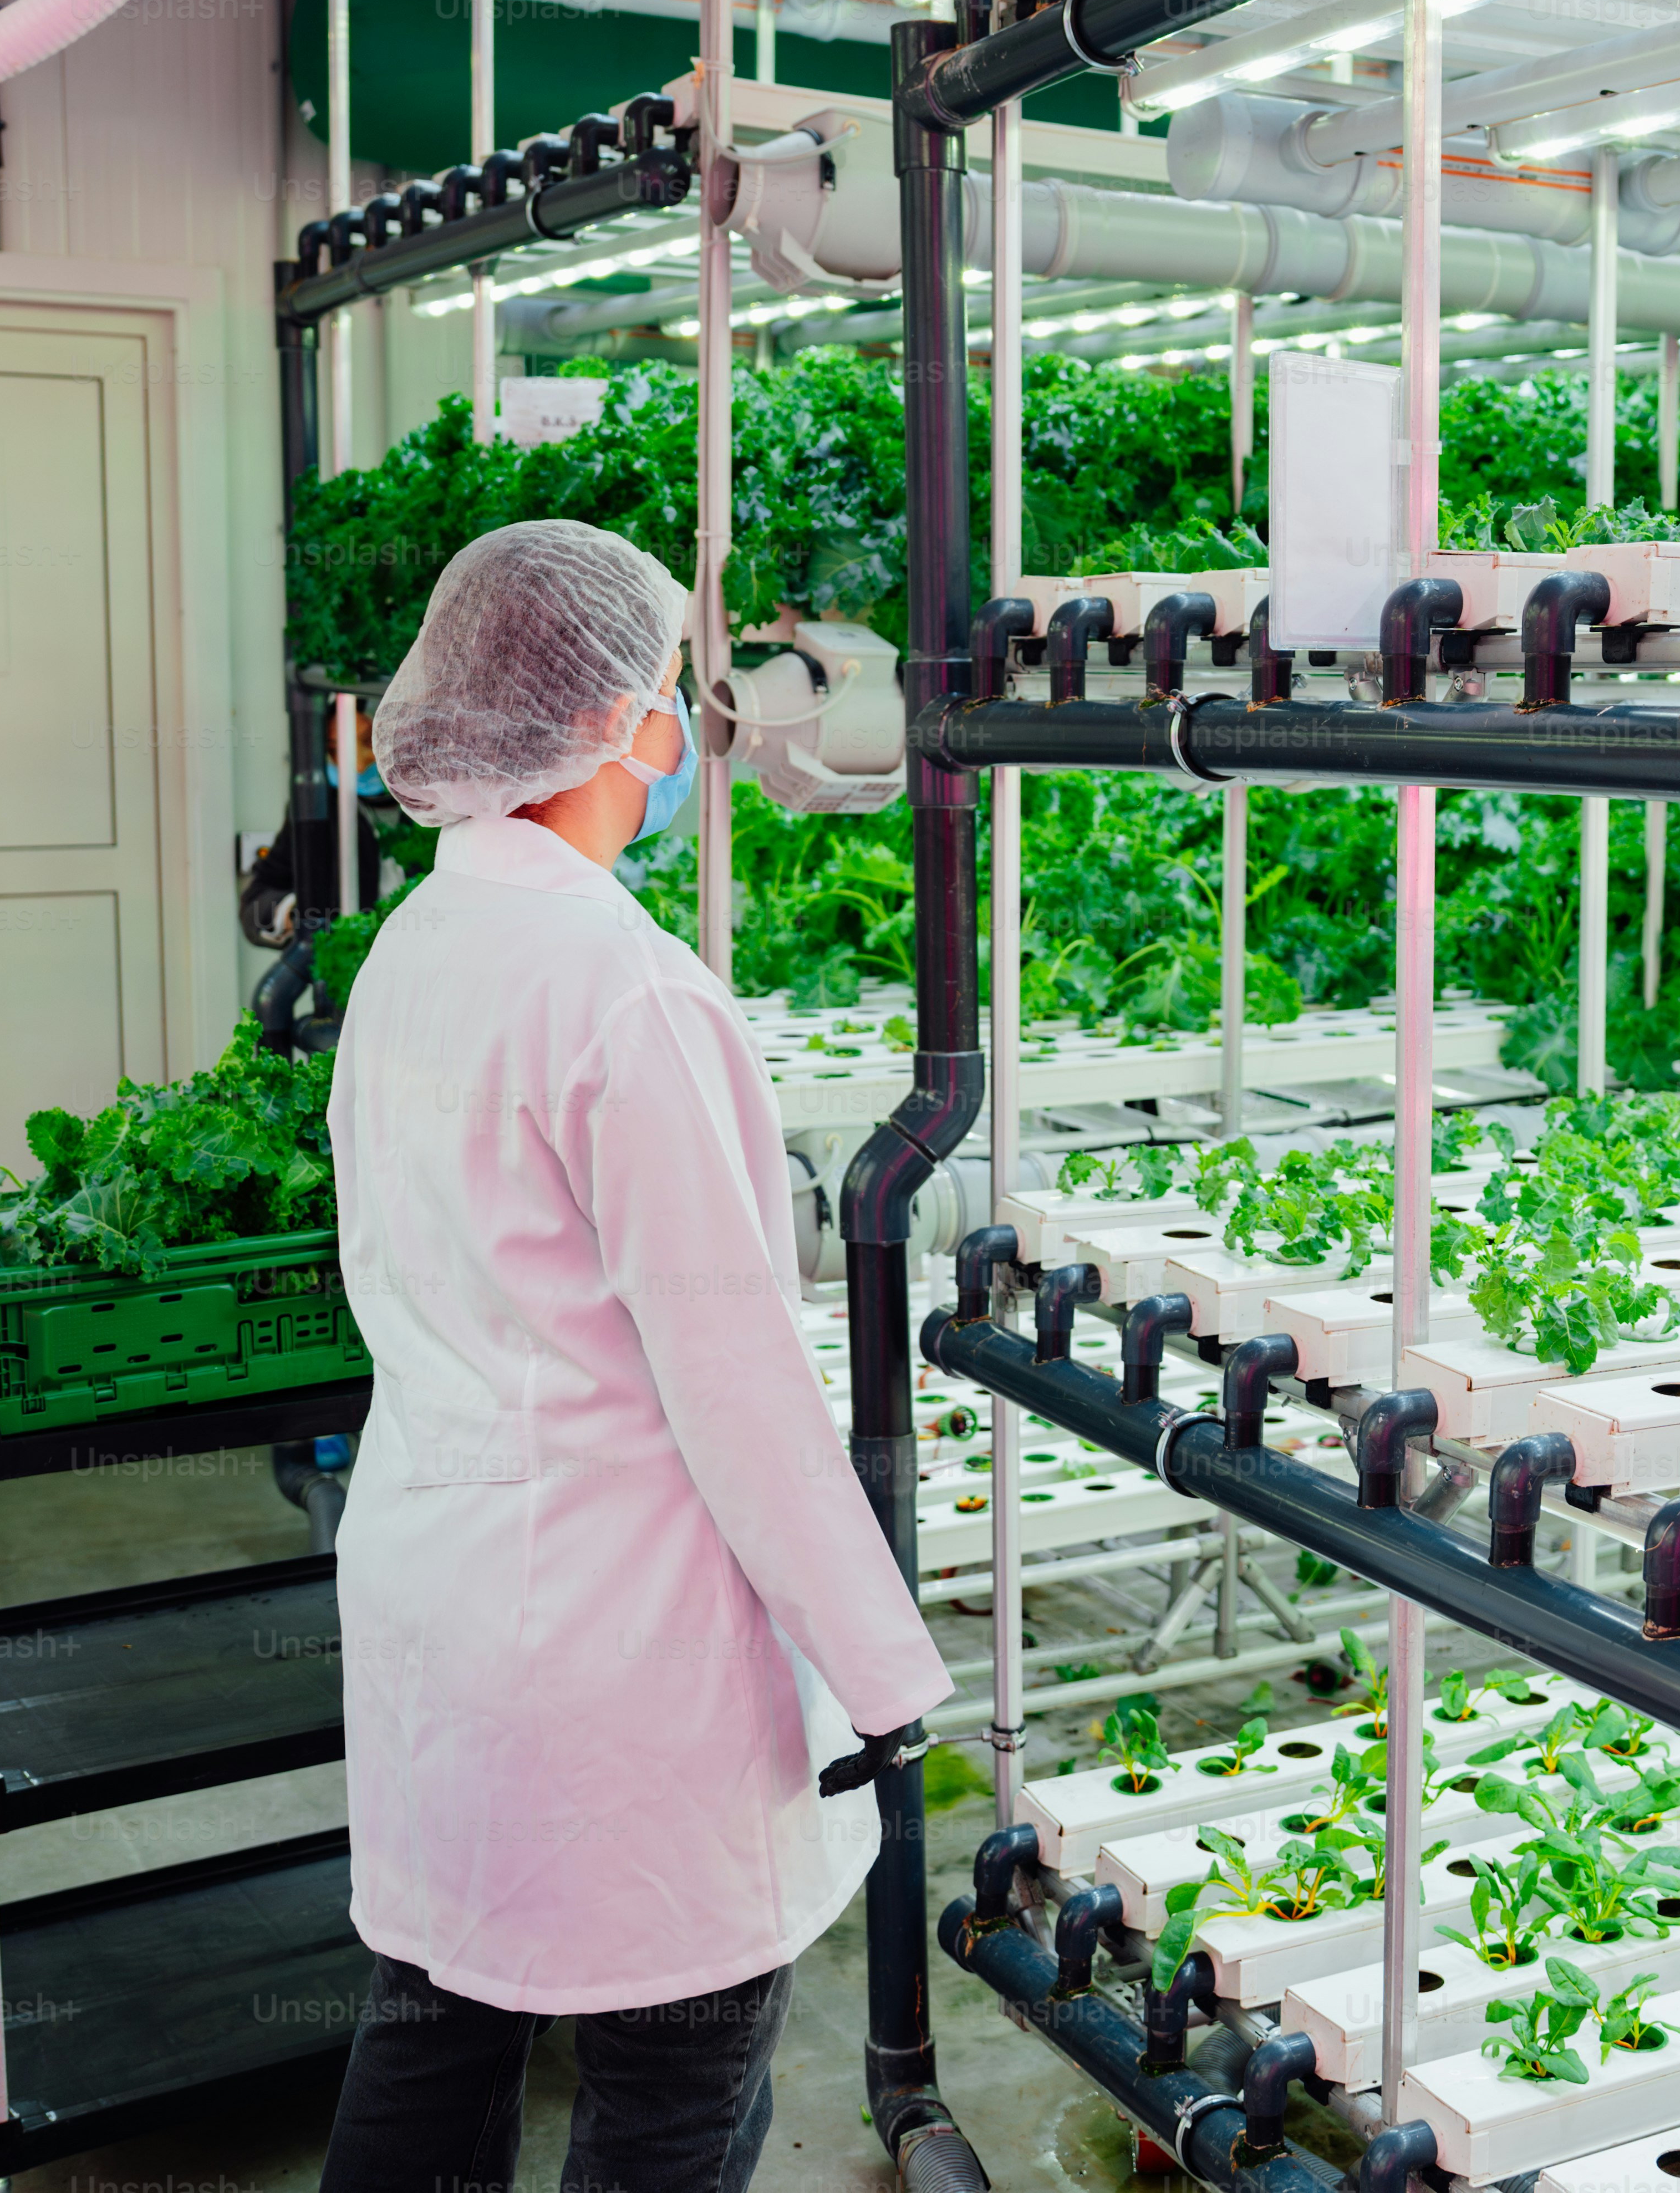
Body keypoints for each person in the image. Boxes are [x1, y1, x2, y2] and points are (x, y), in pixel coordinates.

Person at [319, 521, 951, 2193]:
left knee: (434, 2048)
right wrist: (889, 1681)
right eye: (668, 691)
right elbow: (740, 1393)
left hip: (437, 1605)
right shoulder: (625, 993)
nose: (684, 728)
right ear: (603, 722)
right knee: (668, 2109)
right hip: (621, 1667)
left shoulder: (410, 954)